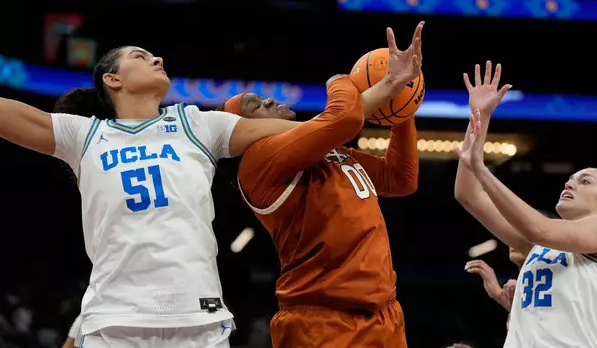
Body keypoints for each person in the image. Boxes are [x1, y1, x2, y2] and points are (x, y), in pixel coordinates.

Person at [0, 0, 306, 347]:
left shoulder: (198, 124)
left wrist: (371, 99)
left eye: (155, 56)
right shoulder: (84, 135)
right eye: (140, 56)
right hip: (114, 323)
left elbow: (307, 133)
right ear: (113, 79)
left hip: (199, 322)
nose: (157, 59)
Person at [218, 23, 423, 347]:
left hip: (383, 314)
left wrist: (403, 107)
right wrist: (340, 81)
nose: (268, 101)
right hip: (322, 321)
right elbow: (343, 118)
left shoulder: (331, 153)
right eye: (254, 106)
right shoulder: (257, 160)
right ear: (241, 132)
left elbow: (401, 179)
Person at [454, 61, 597, 347]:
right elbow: (468, 195)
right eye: (570, 179)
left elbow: (539, 230)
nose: (569, 184)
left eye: (585, 181)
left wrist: (482, 170)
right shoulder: (544, 245)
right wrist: (479, 117)